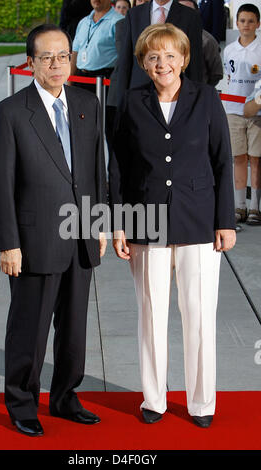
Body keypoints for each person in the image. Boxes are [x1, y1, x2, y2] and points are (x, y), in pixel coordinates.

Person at [110, 23, 236, 428]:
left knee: (199, 315)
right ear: (143, 64)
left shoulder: (207, 100)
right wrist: (119, 223)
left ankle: (202, 403)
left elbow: (222, 161)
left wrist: (225, 221)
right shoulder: (130, 103)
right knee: (151, 314)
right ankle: (154, 398)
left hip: (199, 220)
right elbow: (119, 169)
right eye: (153, 57)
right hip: (146, 221)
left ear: (184, 59)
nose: (162, 63)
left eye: (169, 55)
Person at [0, 24, 107, 437]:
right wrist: (8, 244)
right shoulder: (10, 113)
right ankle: (21, 403)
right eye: (47, 57)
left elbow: (96, 173)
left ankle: (65, 397)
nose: (57, 64)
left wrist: (100, 224)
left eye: (64, 55)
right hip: (34, 241)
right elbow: (0, 185)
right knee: (30, 329)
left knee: (74, 329)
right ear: (31, 63)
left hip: (82, 237)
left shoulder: (87, 104)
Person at [116, 0, 203, 104]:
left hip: (175, 96)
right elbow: (125, 60)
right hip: (138, 94)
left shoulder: (190, 16)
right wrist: (120, 100)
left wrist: (195, 100)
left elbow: (195, 63)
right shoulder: (134, 14)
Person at [70, 0, 123, 160]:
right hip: (81, 79)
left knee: (110, 130)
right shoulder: (84, 21)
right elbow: (75, 52)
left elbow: (123, 56)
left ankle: (112, 178)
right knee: (82, 130)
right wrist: (70, 81)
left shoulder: (118, 21)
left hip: (105, 81)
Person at [224, 4, 261, 226]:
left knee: (256, 159)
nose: (246, 25)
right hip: (233, 111)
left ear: (258, 24)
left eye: (250, 21)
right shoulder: (229, 50)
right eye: (242, 21)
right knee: (238, 157)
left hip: (256, 112)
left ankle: (256, 206)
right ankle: (240, 205)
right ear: (236, 23)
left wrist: (256, 103)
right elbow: (229, 79)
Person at [179, 0, 223, 86]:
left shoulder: (207, 40)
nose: (185, 15)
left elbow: (216, 74)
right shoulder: (166, 39)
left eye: (189, 12)